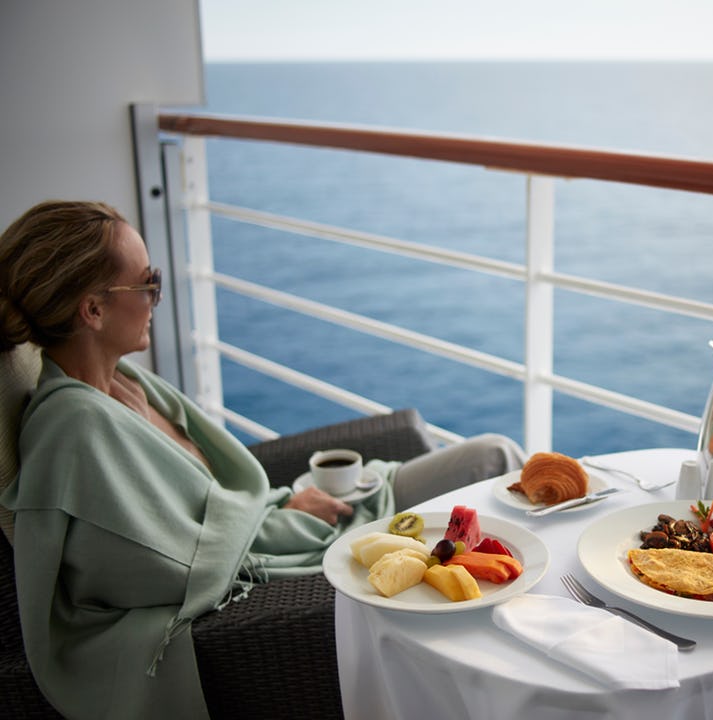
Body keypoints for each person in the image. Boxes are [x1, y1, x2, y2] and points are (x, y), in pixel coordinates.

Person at [0, 200, 526, 720]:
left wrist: (282, 506)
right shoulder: (71, 430)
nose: (157, 297)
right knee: (494, 473)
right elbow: (146, 569)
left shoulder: (125, 382)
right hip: (282, 547)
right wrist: (281, 520)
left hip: (295, 514)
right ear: (92, 310)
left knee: (494, 455)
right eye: (147, 283)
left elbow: (204, 499)